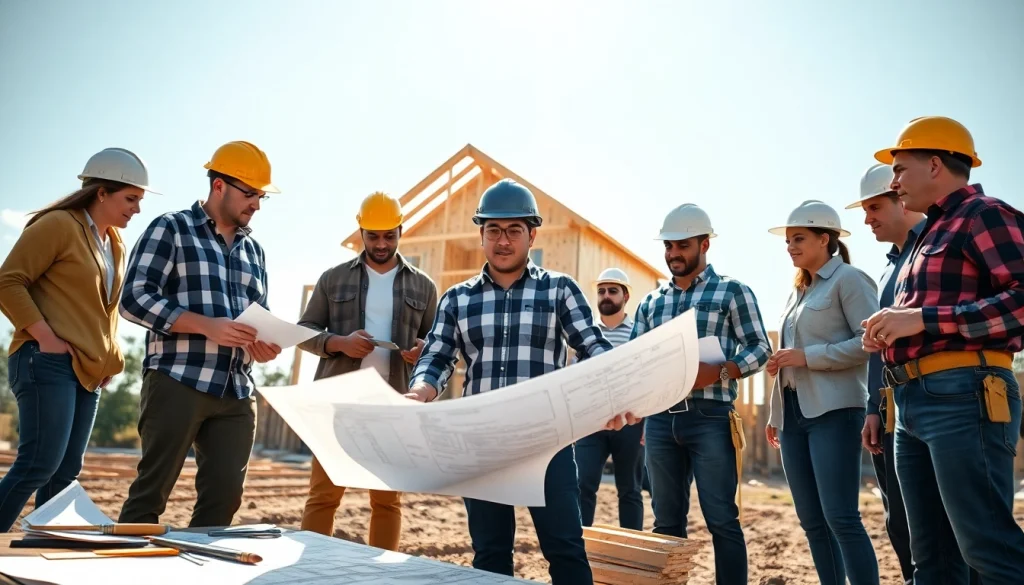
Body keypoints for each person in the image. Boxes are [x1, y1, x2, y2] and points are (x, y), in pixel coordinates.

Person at [404, 178, 635, 585]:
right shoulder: (457, 299)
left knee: (565, 548)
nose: (503, 240)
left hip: (547, 442)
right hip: (482, 444)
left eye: (514, 230)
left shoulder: (559, 290)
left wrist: (613, 394)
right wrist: (421, 390)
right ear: (481, 235)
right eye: (493, 229)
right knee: (490, 553)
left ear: (532, 236)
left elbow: (592, 346)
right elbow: (437, 356)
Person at [864, 116, 1024, 584]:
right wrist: (890, 332)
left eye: (900, 169)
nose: (894, 182)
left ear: (934, 165)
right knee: (931, 557)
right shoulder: (927, 237)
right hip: (912, 401)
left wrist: (922, 320)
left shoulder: (984, 215)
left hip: (964, 394)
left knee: (987, 546)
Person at [117, 141, 283, 528]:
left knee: (224, 500)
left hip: (236, 390)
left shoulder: (254, 251)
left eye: (261, 196)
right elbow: (134, 299)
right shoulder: (171, 228)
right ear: (219, 185)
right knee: (150, 494)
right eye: (250, 193)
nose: (256, 204)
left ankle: (199, 562)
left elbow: (259, 315)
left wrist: (262, 344)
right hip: (178, 379)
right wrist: (206, 326)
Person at [0, 148, 155, 531]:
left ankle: (44, 547)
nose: (137, 209)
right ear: (101, 192)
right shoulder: (58, 225)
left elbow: (103, 311)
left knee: (65, 472)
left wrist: (108, 358)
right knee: (39, 464)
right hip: (45, 360)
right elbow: (8, 282)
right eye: (130, 198)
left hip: (87, 371)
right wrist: (45, 337)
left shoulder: (115, 244)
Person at [631, 203, 772, 585]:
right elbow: (635, 360)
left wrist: (722, 370)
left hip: (711, 417)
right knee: (665, 522)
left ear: (704, 244)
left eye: (683, 245)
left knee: (722, 519)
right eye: (669, 246)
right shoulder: (651, 302)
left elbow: (761, 348)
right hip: (661, 421)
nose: (674, 253)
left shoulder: (733, 291)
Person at [296, 191, 440, 550]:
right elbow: (304, 333)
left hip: (393, 404)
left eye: (389, 236)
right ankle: (312, 568)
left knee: (387, 500)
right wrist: (339, 343)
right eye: (373, 236)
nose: (381, 244)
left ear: (401, 230)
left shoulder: (423, 286)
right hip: (336, 405)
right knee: (323, 496)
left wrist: (421, 352)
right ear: (360, 231)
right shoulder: (333, 279)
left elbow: (437, 345)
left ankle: (383, 573)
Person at [764, 199, 880, 585]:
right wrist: (775, 412)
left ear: (824, 239)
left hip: (836, 413)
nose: (790, 246)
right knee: (811, 521)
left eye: (798, 238)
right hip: (793, 415)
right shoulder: (798, 291)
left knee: (841, 518)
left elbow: (870, 342)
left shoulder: (850, 279)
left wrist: (806, 357)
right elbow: (793, 357)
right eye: (787, 240)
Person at [574, 267, 644, 530]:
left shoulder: (639, 333)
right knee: (582, 485)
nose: (606, 295)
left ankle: (632, 547)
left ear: (626, 296)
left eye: (613, 291)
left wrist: (646, 423)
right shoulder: (585, 334)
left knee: (630, 489)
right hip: (591, 424)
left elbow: (645, 378)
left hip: (630, 422)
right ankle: (578, 546)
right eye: (601, 291)